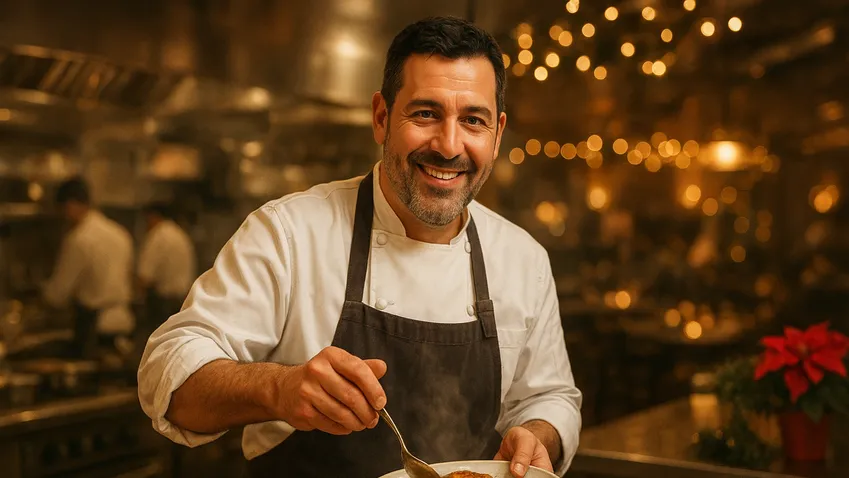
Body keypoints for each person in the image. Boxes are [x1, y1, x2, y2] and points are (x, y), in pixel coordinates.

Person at [138, 16, 582, 478]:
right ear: (381, 117)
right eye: (426, 113)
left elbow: (550, 396)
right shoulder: (290, 233)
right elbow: (167, 372)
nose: (449, 146)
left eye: (473, 120)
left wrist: (538, 432)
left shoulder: (523, 259)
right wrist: (280, 389)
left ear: (497, 135)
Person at [43, 177, 135, 358]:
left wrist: (43, 296)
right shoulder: (120, 233)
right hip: (124, 322)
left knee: (89, 382)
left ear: (70, 205)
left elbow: (58, 294)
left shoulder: (79, 239)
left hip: (94, 327)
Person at [137, 202, 196, 334]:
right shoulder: (180, 234)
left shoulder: (158, 236)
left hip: (162, 303)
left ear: (153, 217)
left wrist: (137, 298)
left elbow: (145, 276)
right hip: (183, 300)